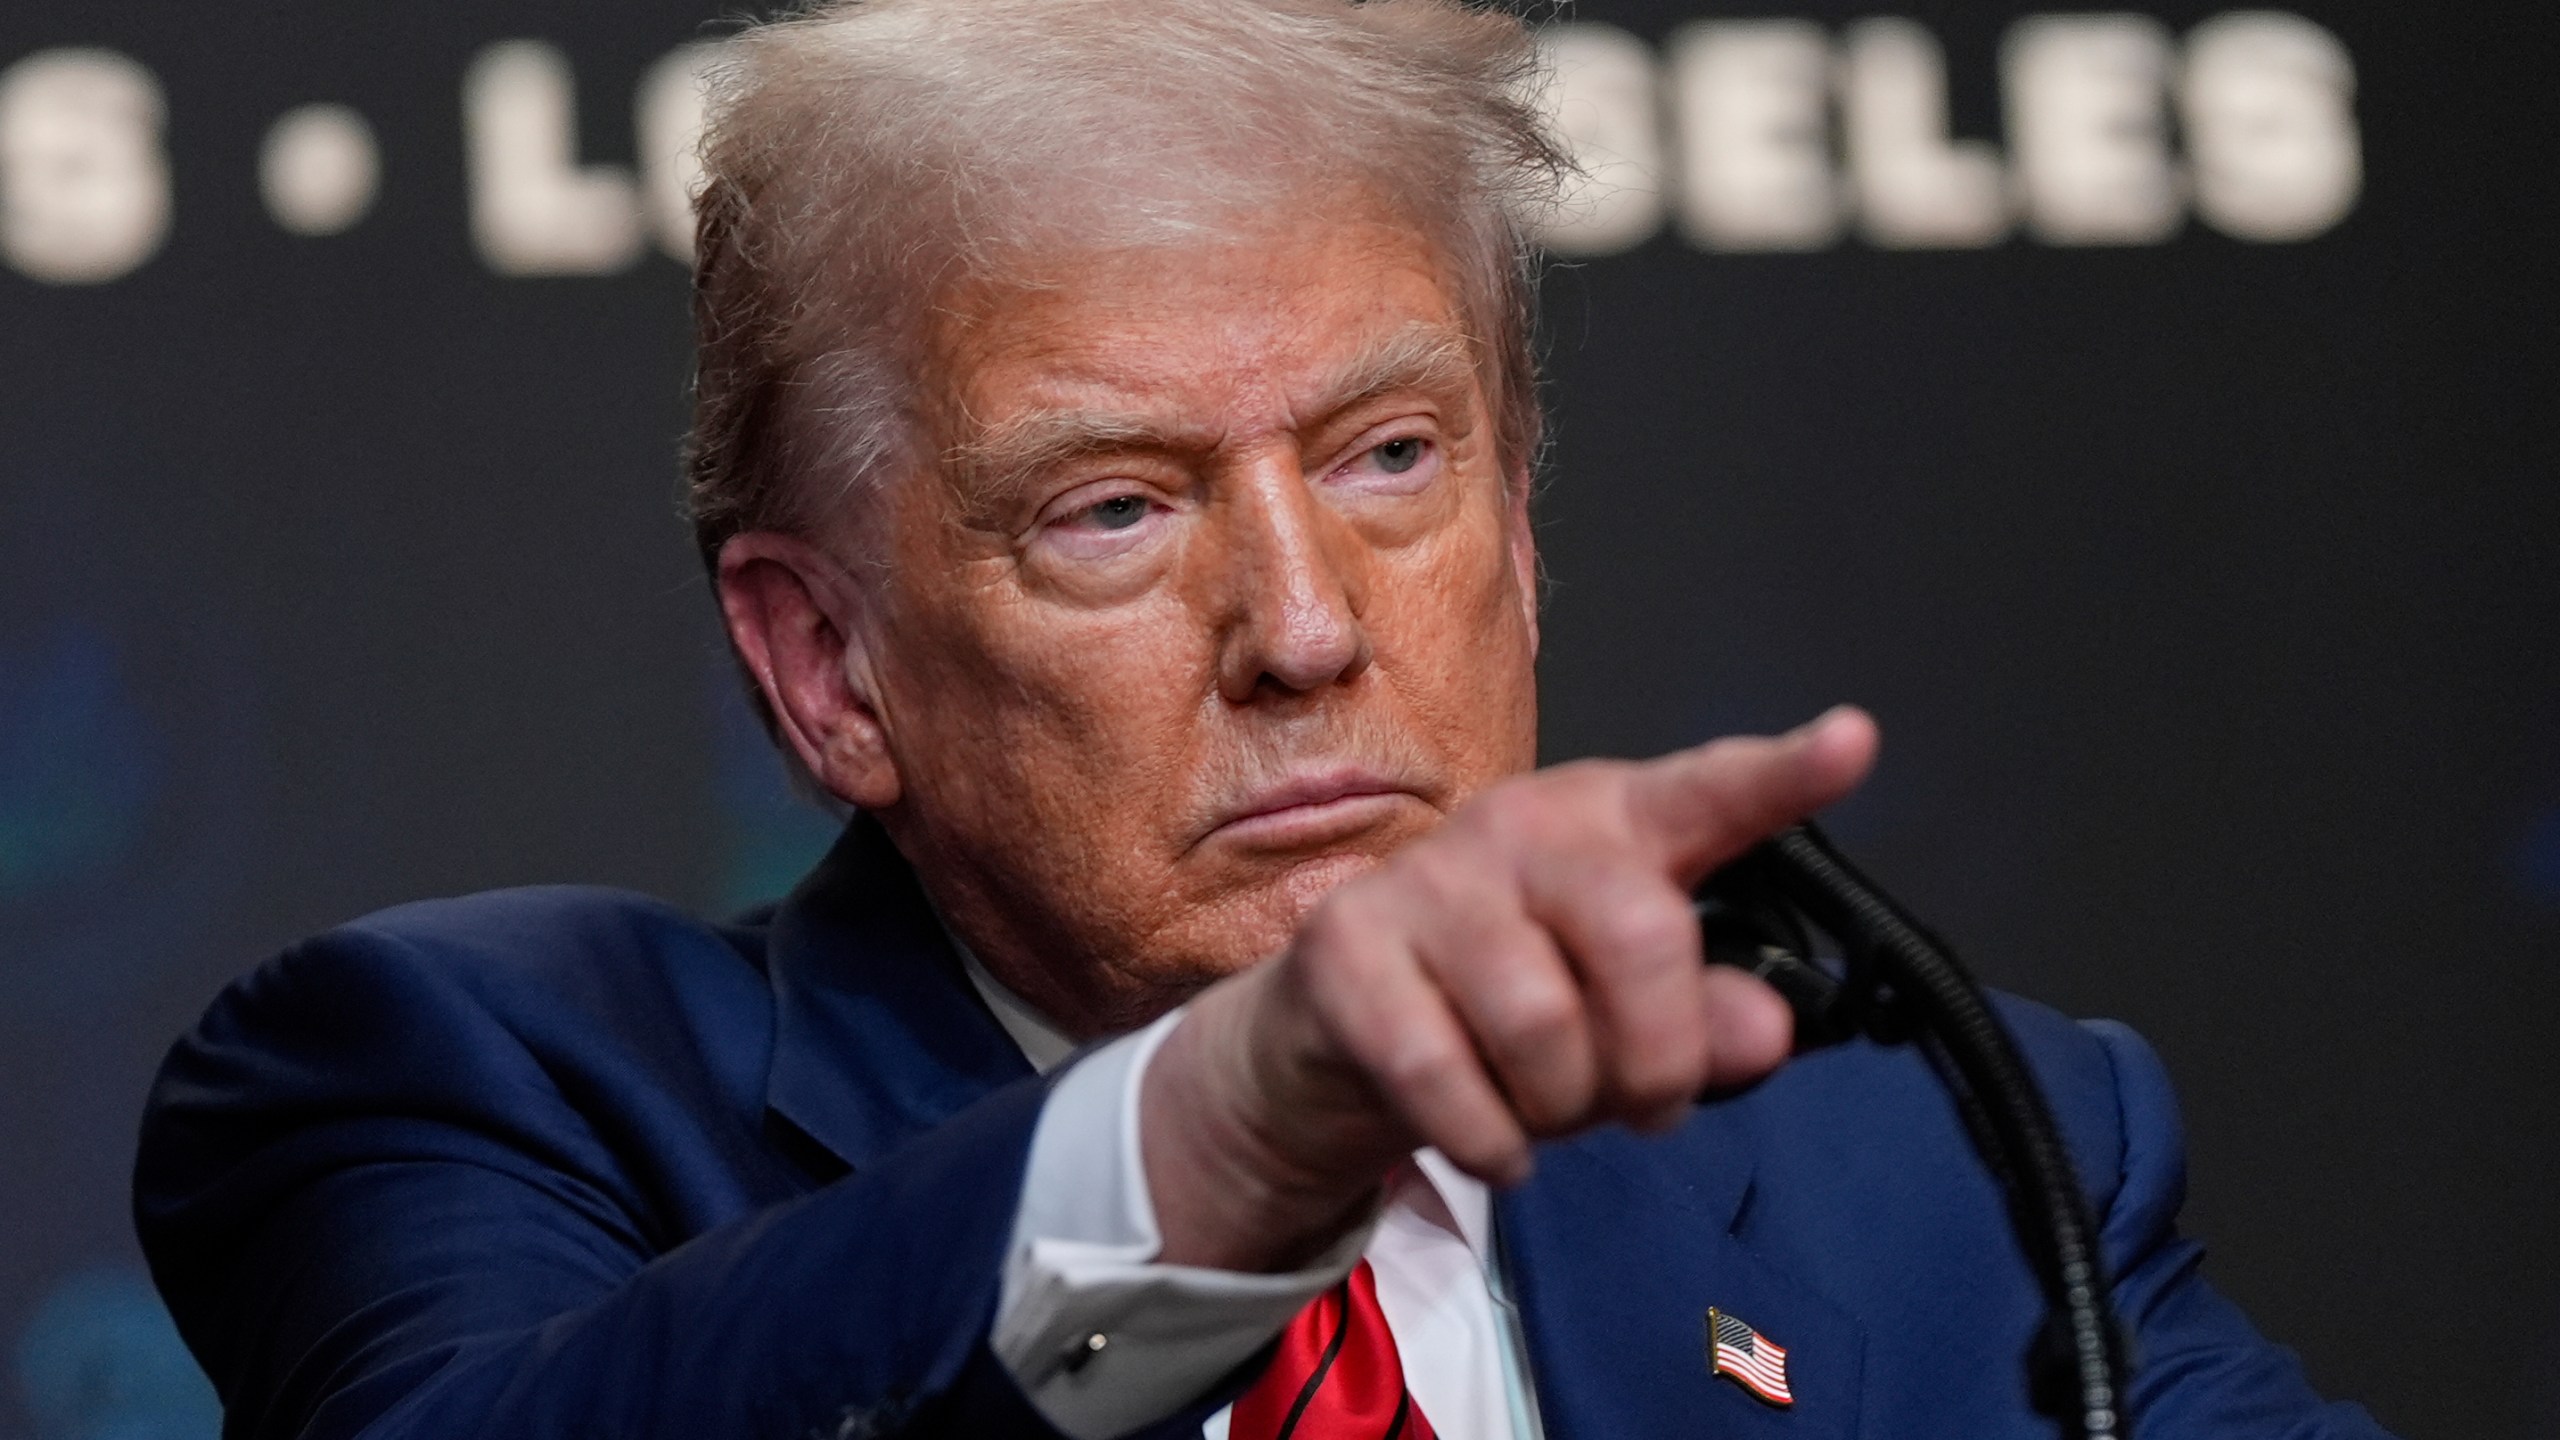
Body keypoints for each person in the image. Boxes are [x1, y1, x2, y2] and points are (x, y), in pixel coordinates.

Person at [133, 1, 2395, 1437]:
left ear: (1518, 516)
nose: (1303, 628)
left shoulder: (1952, 1159)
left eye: (1389, 459)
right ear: (829, 669)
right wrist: (1217, 1142)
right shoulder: (474, 1083)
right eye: (1114, 509)